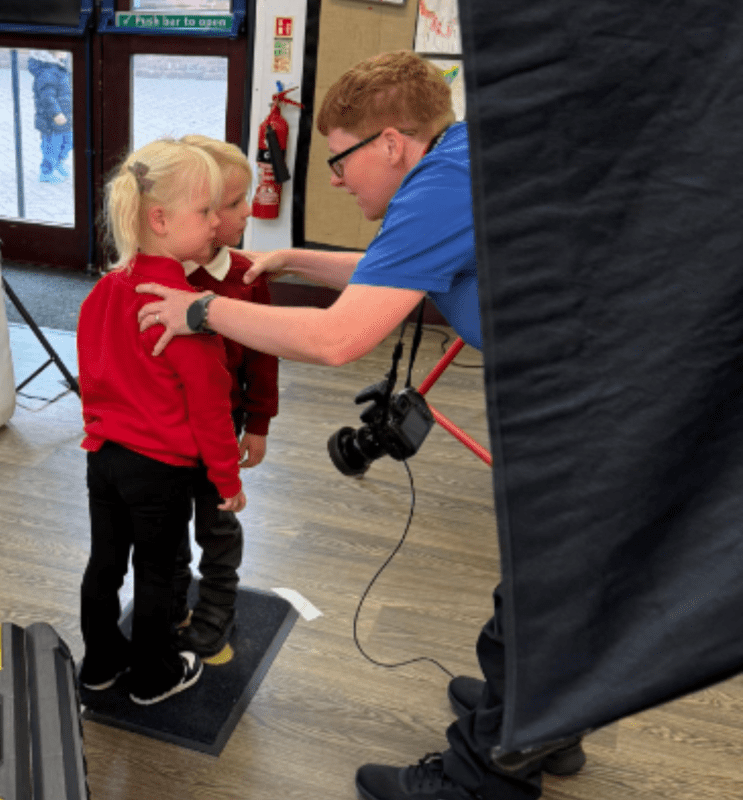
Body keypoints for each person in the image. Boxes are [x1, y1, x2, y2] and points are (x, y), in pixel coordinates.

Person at [135, 51, 574, 800]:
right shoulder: (463, 159)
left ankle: (483, 779)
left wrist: (198, 310)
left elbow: (338, 340)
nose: (336, 179)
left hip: (595, 405)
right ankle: (544, 723)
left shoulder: (440, 189)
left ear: (392, 144)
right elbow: (388, 270)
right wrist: (287, 262)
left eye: (341, 159)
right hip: (597, 386)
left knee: (541, 592)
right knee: (562, 584)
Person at [76, 138, 247, 706]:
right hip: (159, 472)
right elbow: (210, 405)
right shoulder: (183, 307)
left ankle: (98, 664)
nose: (216, 224)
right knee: (155, 572)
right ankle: (153, 675)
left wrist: (102, 429)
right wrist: (227, 479)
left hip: (103, 462)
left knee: (104, 564)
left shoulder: (103, 291)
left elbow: (92, 375)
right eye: (205, 213)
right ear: (160, 219)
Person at [168, 134, 279, 658]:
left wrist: (257, 422)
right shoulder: (155, 276)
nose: (243, 215)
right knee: (166, 523)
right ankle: (168, 602)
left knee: (216, 521)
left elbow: (264, 355)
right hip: (163, 430)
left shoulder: (246, 276)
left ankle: (216, 607)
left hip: (222, 422)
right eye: (233, 204)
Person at [26, 51, 73, 183]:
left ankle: (58, 163)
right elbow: (47, 97)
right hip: (51, 120)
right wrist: (56, 114)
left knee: (68, 142)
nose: (65, 51)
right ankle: (46, 172)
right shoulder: (47, 72)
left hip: (66, 117)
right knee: (52, 146)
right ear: (52, 52)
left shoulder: (60, 67)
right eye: (61, 49)